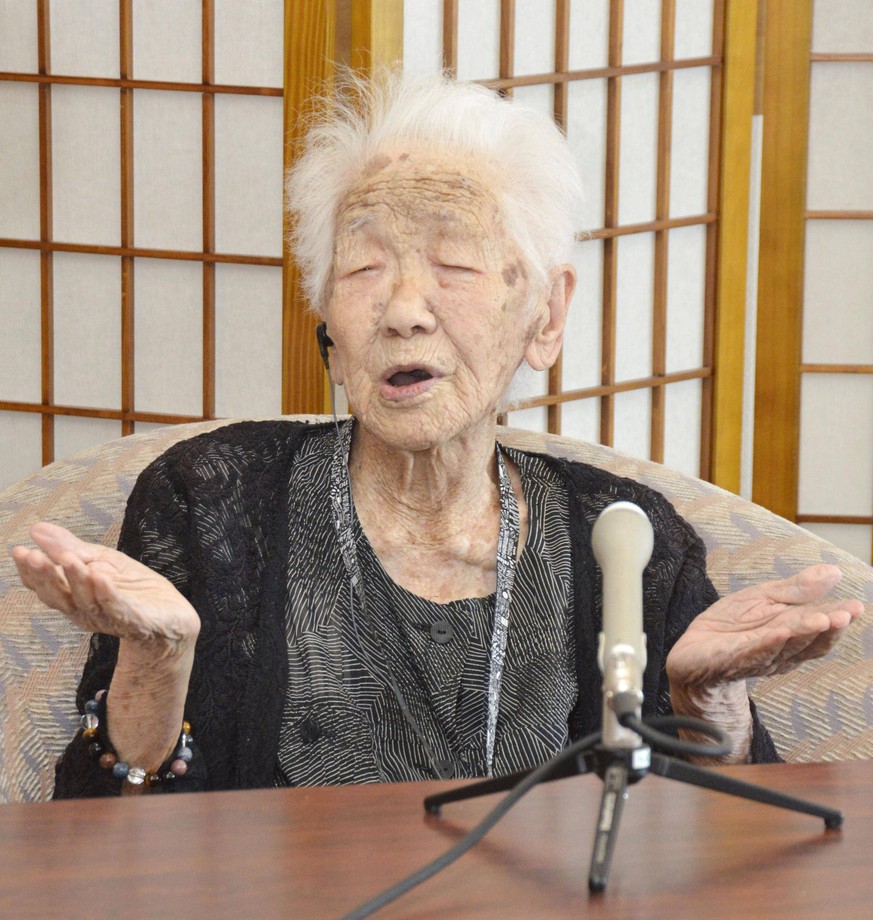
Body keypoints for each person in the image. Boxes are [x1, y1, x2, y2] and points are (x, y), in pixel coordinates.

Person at [12, 72, 862, 797]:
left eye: (453, 265)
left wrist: (703, 701)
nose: (403, 310)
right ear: (327, 326)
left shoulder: (623, 540)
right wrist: (156, 663)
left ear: (546, 314)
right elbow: (105, 840)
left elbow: (715, 858)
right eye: (363, 267)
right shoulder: (210, 501)